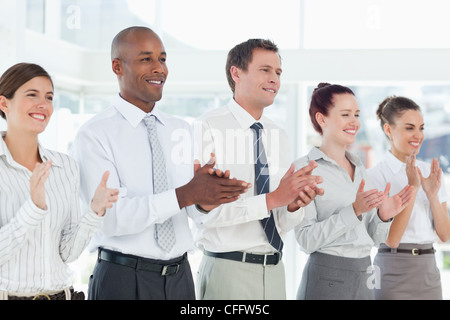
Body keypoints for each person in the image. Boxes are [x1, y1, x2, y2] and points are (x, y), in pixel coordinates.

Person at [70, 26, 250, 300]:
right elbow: (111, 219)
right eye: (146, 59)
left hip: (180, 279)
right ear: (117, 66)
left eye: (163, 59)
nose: (159, 68)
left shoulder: (181, 129)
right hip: (123, 280)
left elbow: (192, 213)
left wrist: (206, 200)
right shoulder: (95, 134)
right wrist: (185, 194)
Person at [193, 38, 324, 300]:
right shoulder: (207, 128)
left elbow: (282, 223)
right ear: (236, 73)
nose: (274, 78)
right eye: (265, 70)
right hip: (227, 271)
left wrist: (293, 205)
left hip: (275, 271)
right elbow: (202, 215)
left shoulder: (280, 136)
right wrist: (272, 199)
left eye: (278, 72)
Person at [0, 62, 118, 300]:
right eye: (32, 95)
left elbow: (67, 253)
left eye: (49, 97)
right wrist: (33, 208)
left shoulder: (65, 167)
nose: (43, 104)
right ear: (4, 103)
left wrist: (94, 211)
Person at [294, 83, 414, 300]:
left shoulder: (359, 168)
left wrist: (382, 217)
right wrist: (354, 210)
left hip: (364, 273)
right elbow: (305, 240)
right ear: (322, 119)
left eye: (356, 114)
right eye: (346, 114)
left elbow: (372, 239)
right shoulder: (305, 169)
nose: (354, 122)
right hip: (327, 275)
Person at [368, 96, 450, 299]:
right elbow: (391, 239)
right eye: (409, 128)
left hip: (429, 270)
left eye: (421, 128)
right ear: (388, 130)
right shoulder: (375, 176)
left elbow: (445, 234)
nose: (418, 135)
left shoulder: (430, 172)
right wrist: (412, 188)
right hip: (392, 271)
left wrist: (432, 195)